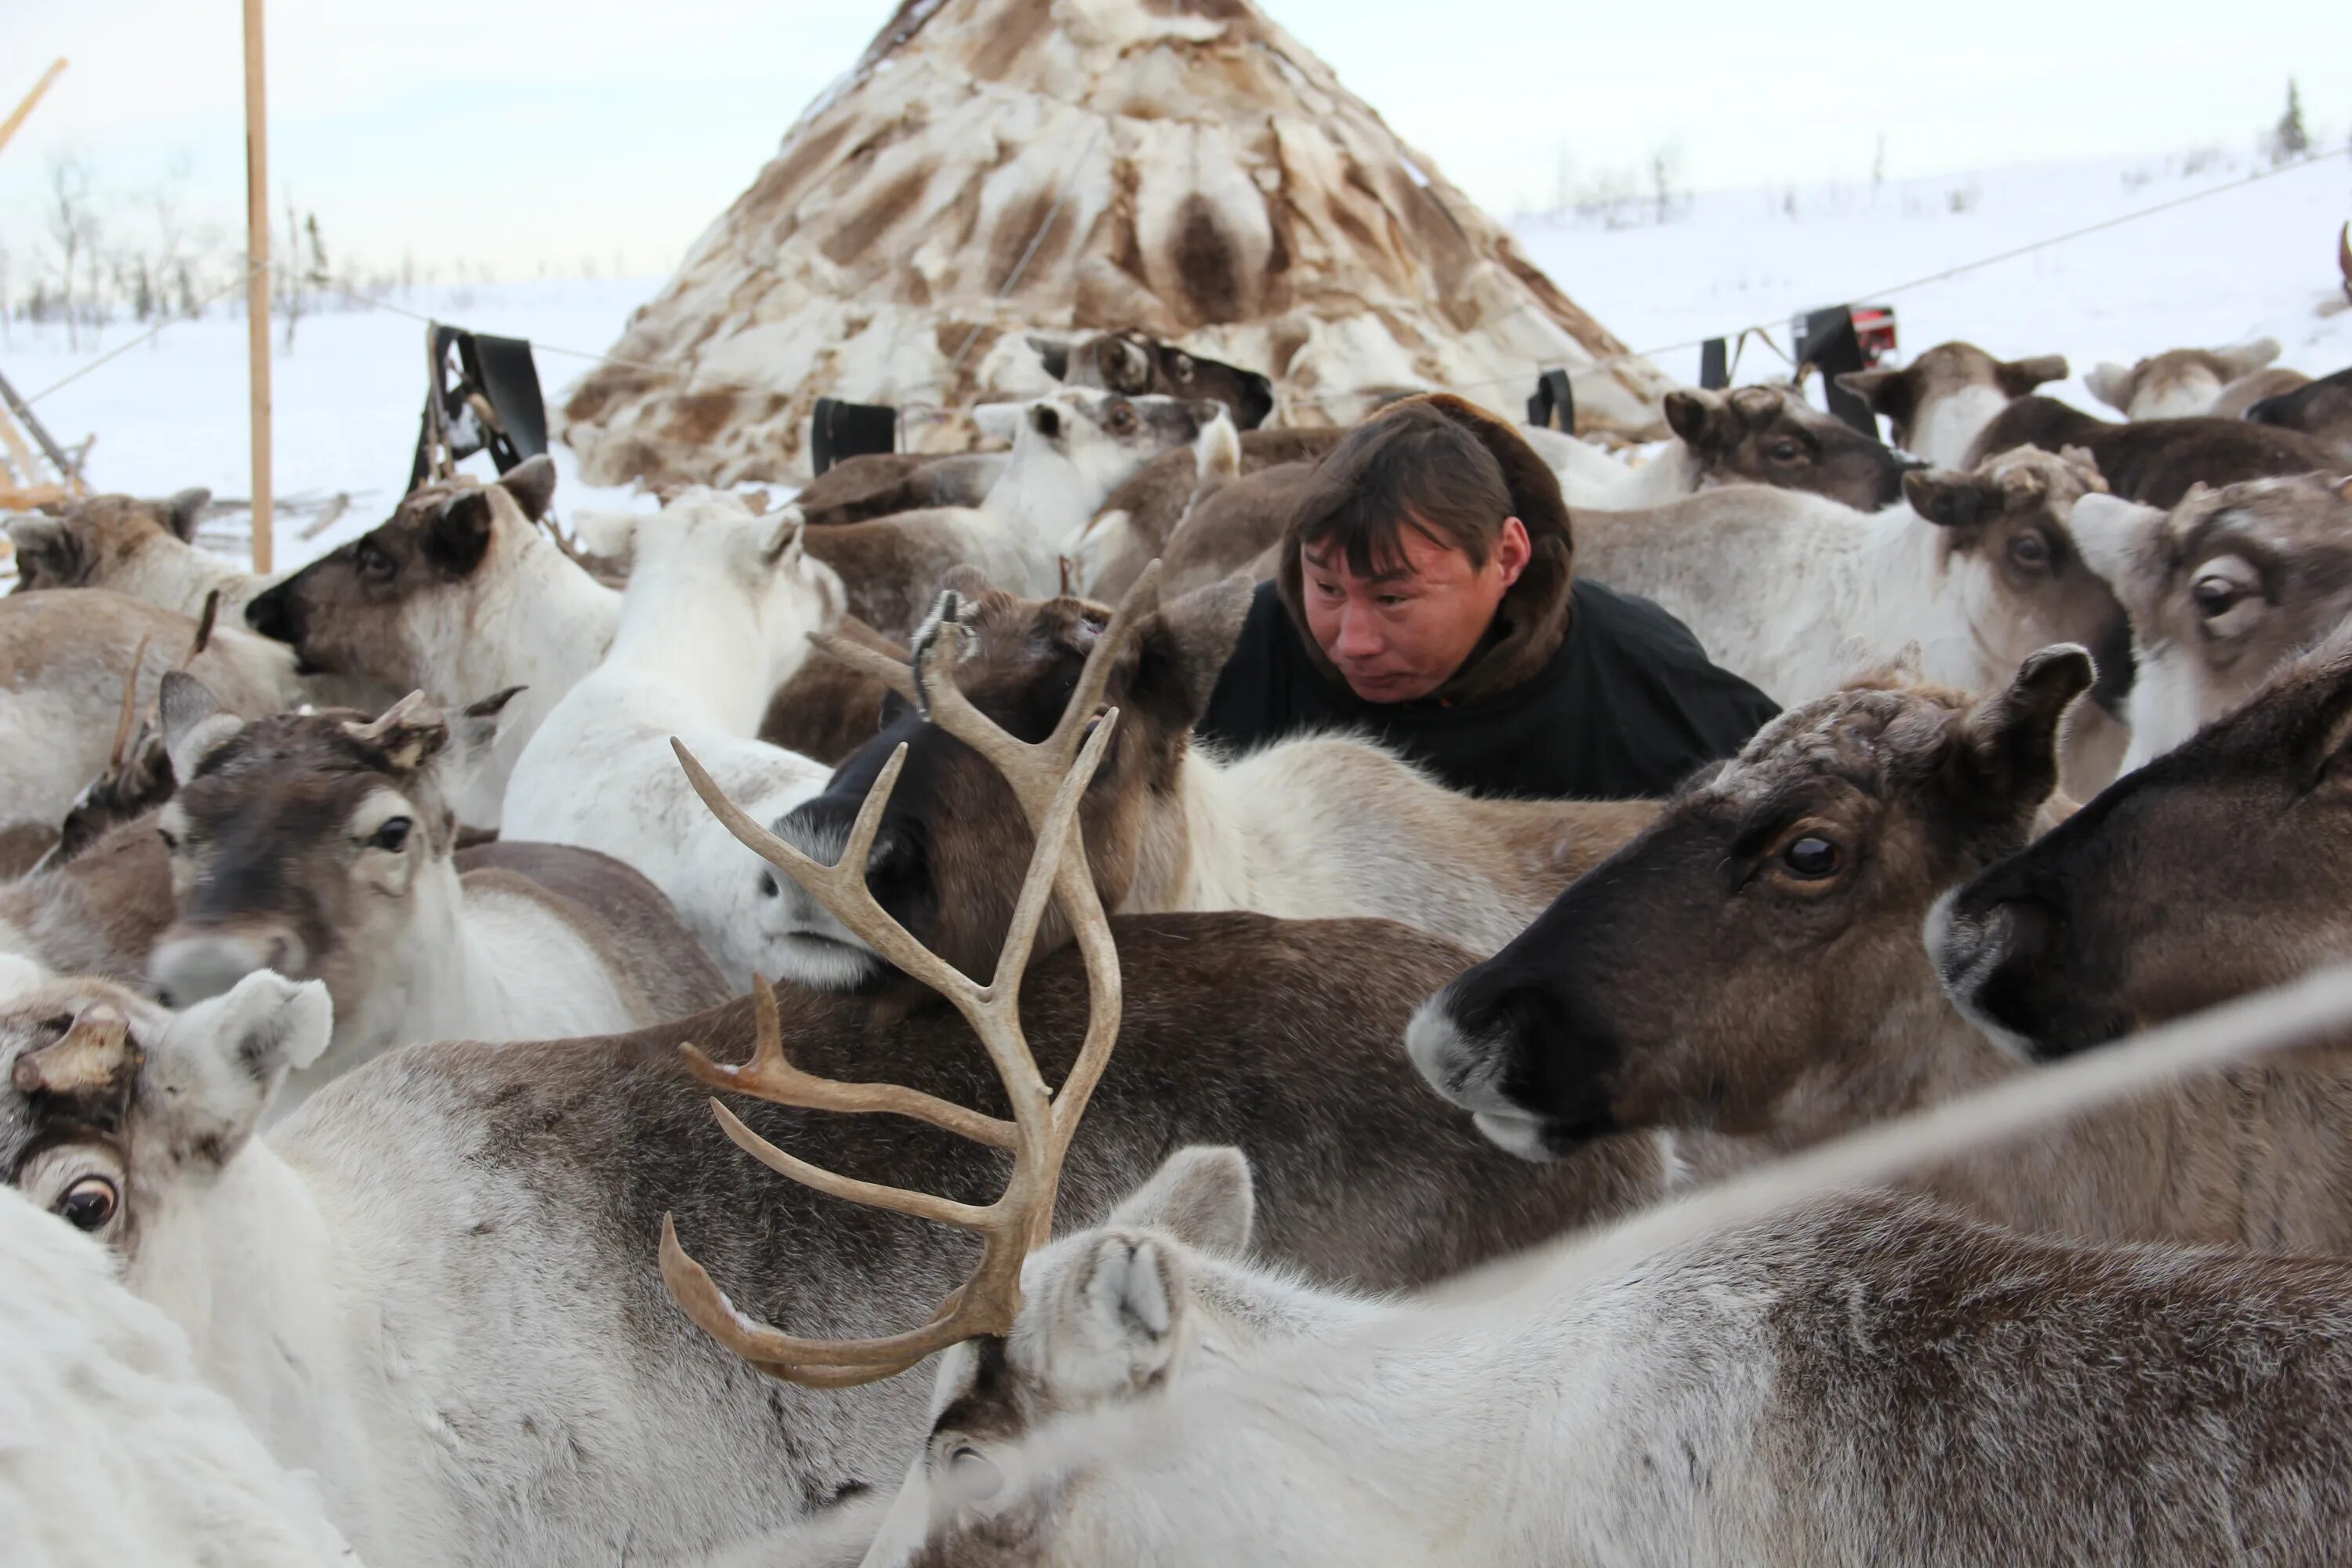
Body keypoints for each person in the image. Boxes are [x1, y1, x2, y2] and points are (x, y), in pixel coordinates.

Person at [1194, 394, 1777, 800]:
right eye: (1327, 588)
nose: (1352, 642)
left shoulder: (1647, 685)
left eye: (1394, 598)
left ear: (1507, 558)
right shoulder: (1223, 664)